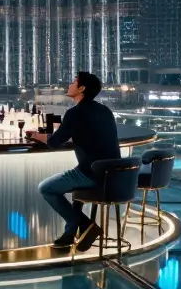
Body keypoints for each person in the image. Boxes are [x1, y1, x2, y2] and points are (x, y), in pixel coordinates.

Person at [28, 72, 119, 251]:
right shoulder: (105, 110)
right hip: (114, 175)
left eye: (73, 82)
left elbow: (54, 142)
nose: (68, 85)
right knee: (75, 190)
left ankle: (85, 225)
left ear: (81, 89)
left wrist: (35, 135)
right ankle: (70, 234)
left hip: (91, 173)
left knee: (46, 188)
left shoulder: (75, 113)